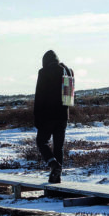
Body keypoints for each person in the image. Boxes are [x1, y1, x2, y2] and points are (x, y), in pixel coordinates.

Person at [34, 50, 73, 183]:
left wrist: (37, 118)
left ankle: (53, 164)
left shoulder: (43, 72)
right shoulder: (67, 71)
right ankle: (56, 177)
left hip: (48, 115)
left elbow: (39, 96)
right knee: (59, 147)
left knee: (41, 141)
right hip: (63, 116)